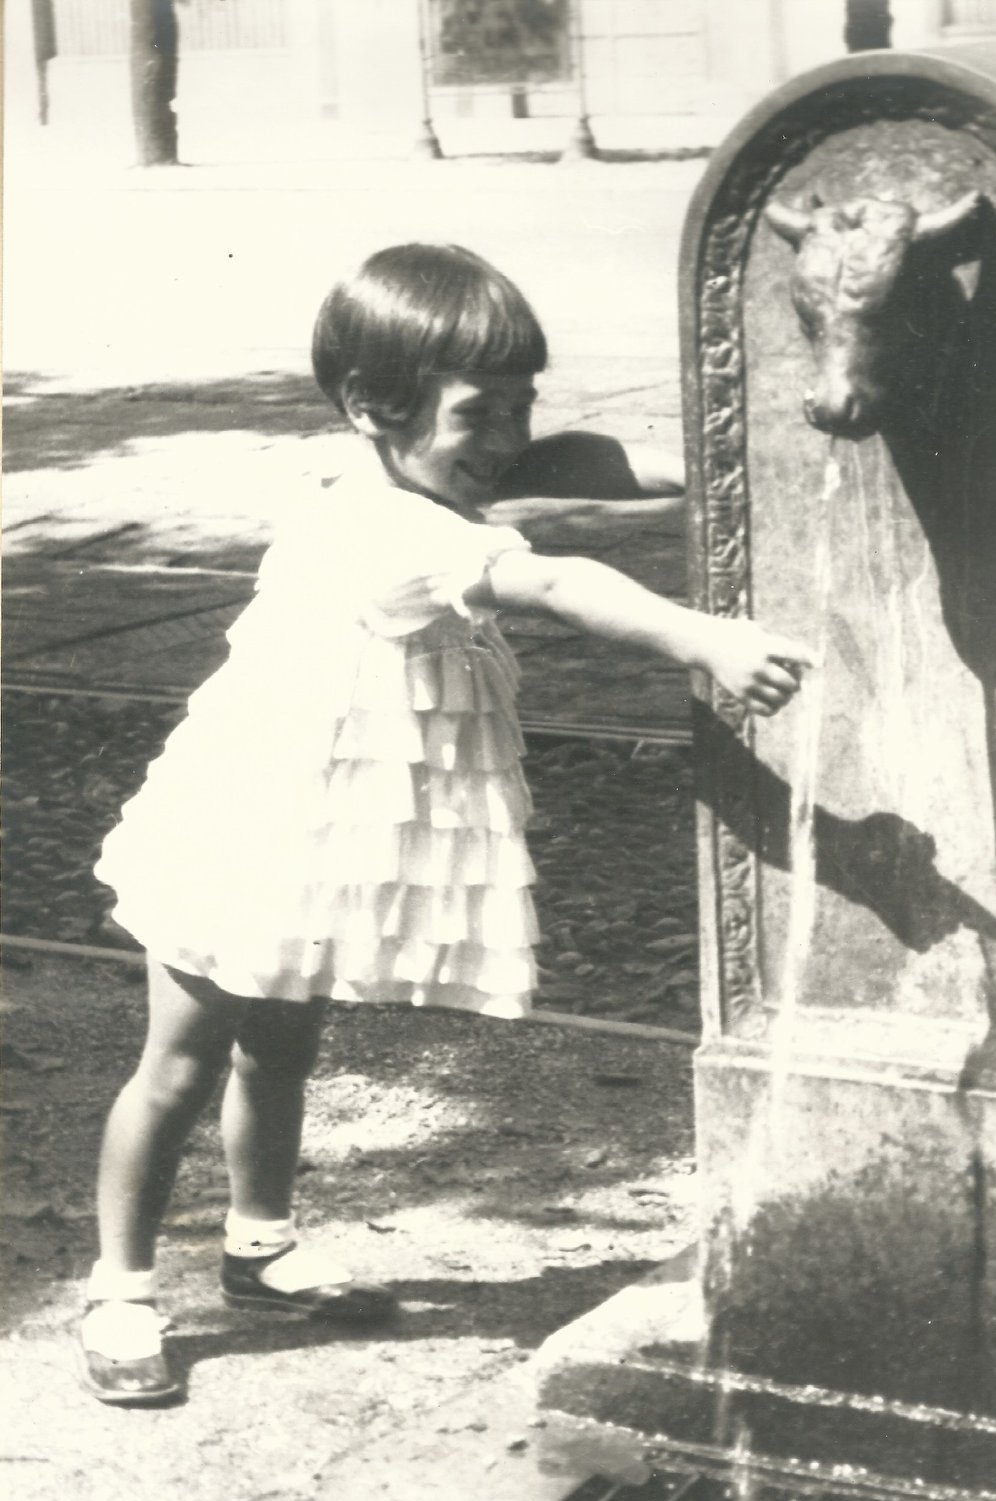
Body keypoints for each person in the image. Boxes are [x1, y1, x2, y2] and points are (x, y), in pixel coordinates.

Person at [81, 242, 812, 1405]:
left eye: (522, 404)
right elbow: (562, 581)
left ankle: (258, 1247)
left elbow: (569, 460)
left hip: (321, 831)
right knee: (179, 1062)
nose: (512, 439)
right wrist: (704, 638)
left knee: (283, 1047)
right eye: (485, 412)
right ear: (377, 406)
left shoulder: (410, 474)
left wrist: (714, 461)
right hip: (246, 829)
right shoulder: (398, 534)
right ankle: (119, 1289)